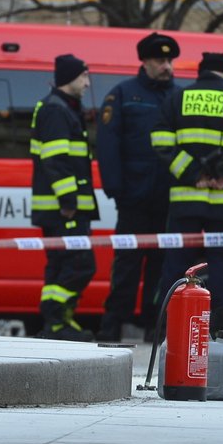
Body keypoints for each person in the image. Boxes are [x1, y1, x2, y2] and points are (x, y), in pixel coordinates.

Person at [151, 52, 223, 337]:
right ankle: (216, 329)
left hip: (186, 199)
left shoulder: (176, 99)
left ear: (200, 73)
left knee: (179, 264)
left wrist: (194, 174)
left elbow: (160, 141)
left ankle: (171, 328)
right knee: (222, 266)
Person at [95, 32, 180, 343]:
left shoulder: (178, 97)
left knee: (161, 269)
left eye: (170, 60)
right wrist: (116, 189)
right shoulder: (123, 95)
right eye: (160, 60)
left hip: (168, 199)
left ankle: (153, 328)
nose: (167, 66)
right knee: (127, 267)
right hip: (133, 198)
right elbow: (107, 144)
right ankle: (112, 325)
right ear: (144, 62)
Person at [30, 54, 99, 341]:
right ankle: (56, 316)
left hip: (61, 209)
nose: (88, 83)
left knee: (60, 264)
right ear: (70, 78)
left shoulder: (63, 107)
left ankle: (56, 324)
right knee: (81, 263)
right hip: (65, 209)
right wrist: (69, 202)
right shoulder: (57, 110)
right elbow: (56, 160)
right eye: (84, 76)